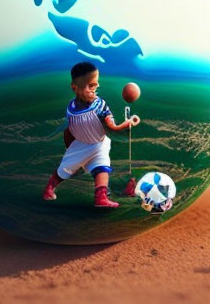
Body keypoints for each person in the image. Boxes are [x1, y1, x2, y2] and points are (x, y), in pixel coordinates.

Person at [42, 61, 139, 208]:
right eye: (90, 86)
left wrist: (127, 123)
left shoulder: (100, 106)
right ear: (75, 87)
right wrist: (69, 147)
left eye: (96, 84)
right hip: (80, 145)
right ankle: (49, 188)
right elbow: (70, 130)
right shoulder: (71, 108)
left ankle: (101, 197)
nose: (95, 89)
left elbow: (112, 126)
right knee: (65, 170)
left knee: (102, 167)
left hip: (99, 143)